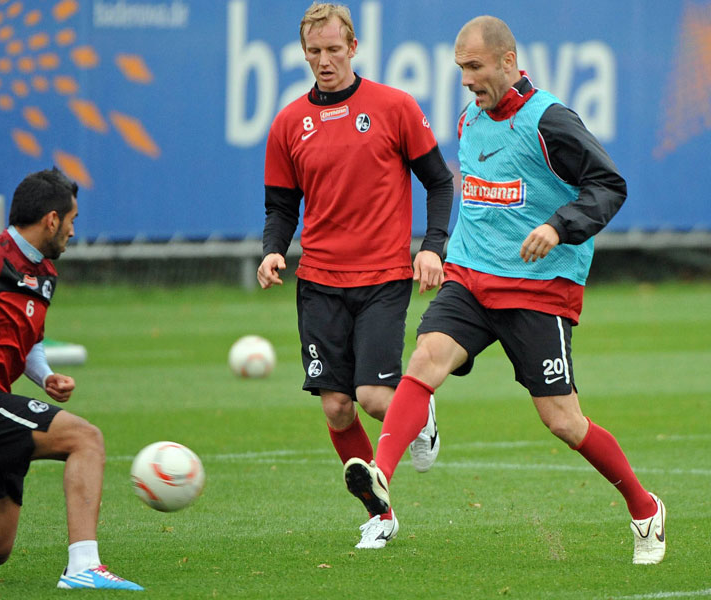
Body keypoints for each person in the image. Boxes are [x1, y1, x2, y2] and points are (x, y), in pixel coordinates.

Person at [343, 15, 666, 565]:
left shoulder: (551, 120)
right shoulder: (471, 116)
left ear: (508, 62)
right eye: (460, 69)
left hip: (539, 290)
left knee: (562, 421)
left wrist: (558, 226)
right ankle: (381, 475)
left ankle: (644, 509)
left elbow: (609, 185)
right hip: (472, 279)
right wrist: (447, 253)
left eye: (474, 67)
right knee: (424, 361)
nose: (466, 79)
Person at [257, 2, 455, 549]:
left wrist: (432, 247)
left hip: (383, 278)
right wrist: (274, 251)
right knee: (336, 406)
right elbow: (280, 206)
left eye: (333, 50)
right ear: (304, 53)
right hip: (319, 281)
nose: (324, 60)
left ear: (354, 48)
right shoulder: (287, 122)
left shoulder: (394, 107)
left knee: (371, 396)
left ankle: (421, 405)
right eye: (314, 52)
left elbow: (440, 184)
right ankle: (380, 513)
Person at [0, 168, 143, 590]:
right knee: (84, 439)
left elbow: (27, 338)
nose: (74, 231)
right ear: (51, 220)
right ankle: (84, 568)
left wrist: (46, 376)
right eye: (72, 220)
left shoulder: (44, 273)